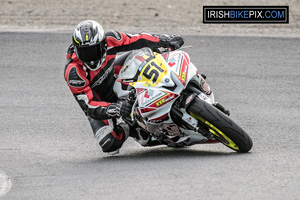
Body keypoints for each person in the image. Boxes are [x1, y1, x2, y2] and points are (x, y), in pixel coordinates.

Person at [64, 20, 184, 155]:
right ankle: (132, 127)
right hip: (101, 104)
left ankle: (174, 78)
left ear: (103, 44)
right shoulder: (74, 72)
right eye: (85, 52)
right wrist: (116, 109)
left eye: (94, 50)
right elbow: (89, 105)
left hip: (116, 74)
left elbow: (137, 39)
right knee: (109, 144)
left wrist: (165, 40)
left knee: (148, 52)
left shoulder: (111, 39)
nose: (91, 58)